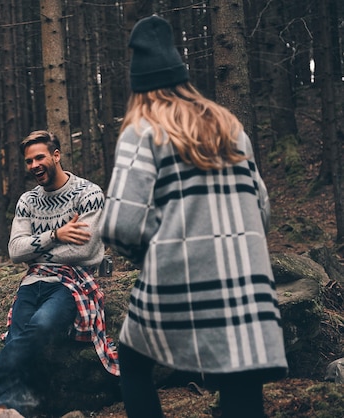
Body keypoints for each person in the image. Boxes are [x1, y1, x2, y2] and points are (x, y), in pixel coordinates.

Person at [99, 15, 288, 418]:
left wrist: (153, 250)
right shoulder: (229, 125)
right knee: (242, 377)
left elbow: (120, 224)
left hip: (179, 278)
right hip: (246, 279)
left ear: (140, 86)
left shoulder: (145, 129)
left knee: (132, 364)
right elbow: (263, 210)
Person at [0, 130, 119, 417]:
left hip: (72, 283)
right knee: (18, 337)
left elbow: (87, 251)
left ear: (56, 155)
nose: (34, 165)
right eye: (29, 161)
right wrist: (57, 234)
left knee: (40, 327)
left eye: (40, 157)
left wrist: (36, 251)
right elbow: (15, 251)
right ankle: (7, 408)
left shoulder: (88, 194)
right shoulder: (28, 201)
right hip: (33, 281)